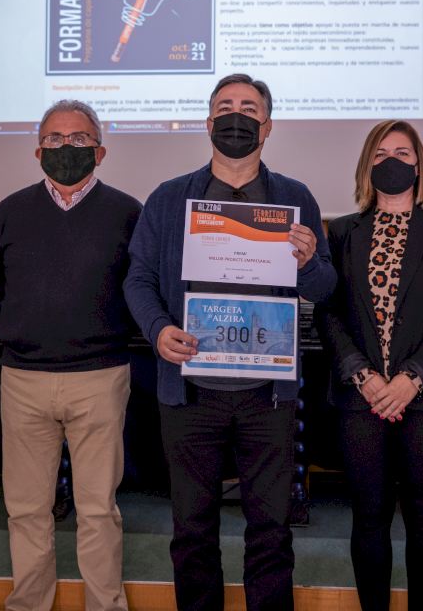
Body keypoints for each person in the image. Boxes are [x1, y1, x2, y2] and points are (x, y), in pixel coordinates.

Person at [124, 74, 336, 611]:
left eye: (248, 108)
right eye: (224, 107)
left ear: (267, 125)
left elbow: (325, 288)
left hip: (268, 395)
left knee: (271, 531)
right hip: (190, 391)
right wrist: (158, 329)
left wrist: (309, 263)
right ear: (208, 122)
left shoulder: (295, 198)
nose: (235, 116)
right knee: (192, 530)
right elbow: (139, 278)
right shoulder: (170, 198)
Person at [0, 100, 141, 611]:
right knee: (26, 509)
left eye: (79, 139)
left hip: (100, 375)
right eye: (54, 139)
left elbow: (141, 286)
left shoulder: (128, 212)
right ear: (37, 150)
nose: (66, 147)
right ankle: (29, 604)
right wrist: (31, 328)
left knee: (98, 509)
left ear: (101, 151)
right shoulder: (10, 211)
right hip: (23, 378)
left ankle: (105, 604)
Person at [317, 120, 423, 611]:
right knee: (368, 518)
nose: (392, 161)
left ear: (419, 165)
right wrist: (363, 375)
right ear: (367, 164)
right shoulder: (342, 231)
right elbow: (329, 312)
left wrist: (412, 378)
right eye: (381, 153)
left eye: (403, 153)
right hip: (361, 398)